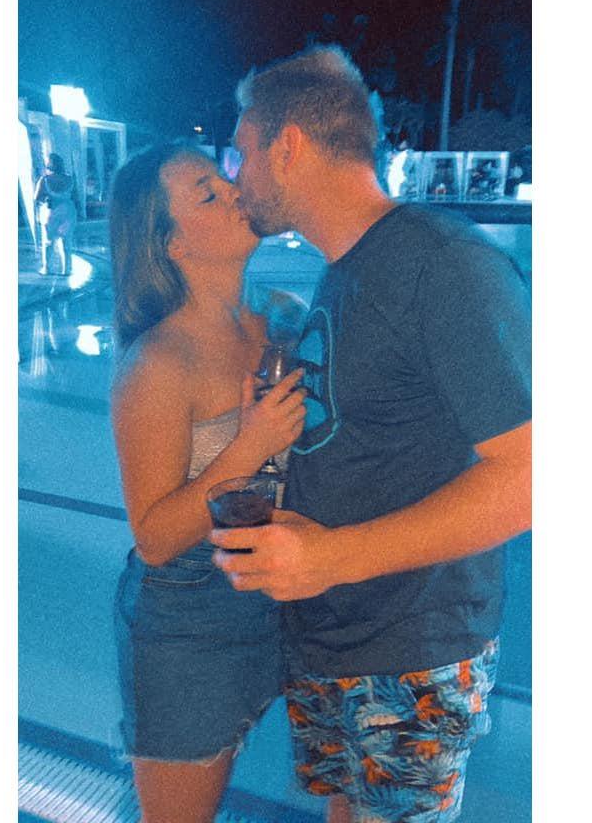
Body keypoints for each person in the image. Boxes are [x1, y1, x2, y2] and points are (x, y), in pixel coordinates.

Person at [211, 45, 532, 823]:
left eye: (242, 152)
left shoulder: (443, 264)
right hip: (331, 634)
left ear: (288, 147)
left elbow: (529, 475)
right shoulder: (345, 268)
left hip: (412, 649)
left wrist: (329, 557)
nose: (235, 176)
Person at [108, 142, 308, 823]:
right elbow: (156, 537)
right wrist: (249, 446)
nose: (233, 192)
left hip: (282, 593)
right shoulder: (159, 362)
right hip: (187, 620)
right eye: (207, 194)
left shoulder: (278, 324)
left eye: (223, 180)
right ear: (173, 244)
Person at [34, 152, 77, 275]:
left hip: (51, 212)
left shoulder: (45, 180)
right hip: (68, 211)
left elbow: (37, 198)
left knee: (48, 242)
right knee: (66, 242)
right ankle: (67, 269)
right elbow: (75, 196)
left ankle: (47, 268)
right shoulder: (70, 179)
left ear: (49, 164)